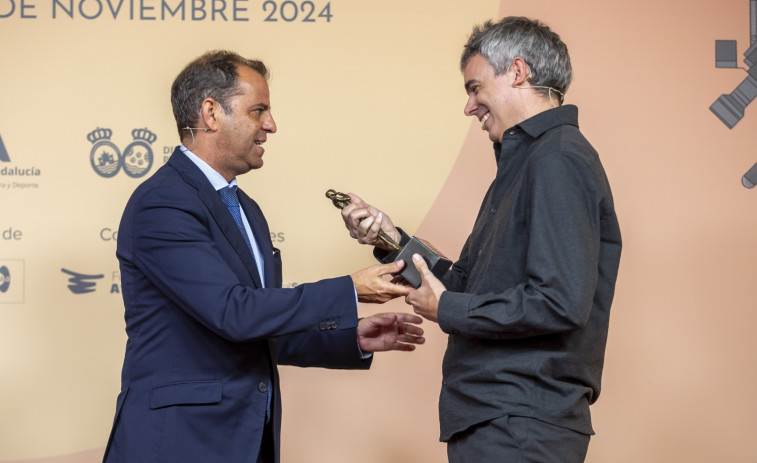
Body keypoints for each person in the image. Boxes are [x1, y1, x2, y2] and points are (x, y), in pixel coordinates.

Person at [102, 50, 424, 463]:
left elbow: (255, 329)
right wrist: (350, 289)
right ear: (211, 112)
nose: (270, 125)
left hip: (246, 442)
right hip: (179, 443)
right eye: (259, 110)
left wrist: (349, 337)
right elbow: (232, 313)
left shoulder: (246, 209)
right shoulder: (162, 204)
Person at [338, 16, 622, 463]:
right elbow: (469, 284)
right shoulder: (526, 162)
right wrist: (392, 240)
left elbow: (560, 301)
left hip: (519, 422)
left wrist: (448, 309)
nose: (469, 107)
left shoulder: (558, 158)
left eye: (474, 88)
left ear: (517, 72)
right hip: (499, 419)